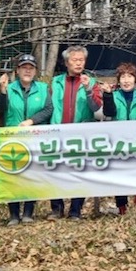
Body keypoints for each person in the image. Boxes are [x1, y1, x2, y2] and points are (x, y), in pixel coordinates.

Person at [0, 52, 52, 225]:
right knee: (13, 175)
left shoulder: (42, 88)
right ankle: (13, 214)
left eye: (31, 68)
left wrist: (32, 121)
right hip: (13, 137)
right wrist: (3, 90)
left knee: (32, 174)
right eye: (24, 68)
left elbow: (48, 109)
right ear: (17, 71)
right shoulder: (9, 88)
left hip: (34, 136)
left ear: (35, 71)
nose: (27, 71)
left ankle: (28, 212)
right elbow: (1, 109)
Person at [49, 45, 99, 221]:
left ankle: (75, 210)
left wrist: (88, 89)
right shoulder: (56, 82)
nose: (78, 63)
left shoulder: (91, 82)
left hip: (81, 134)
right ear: (66, 62)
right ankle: (56, 208)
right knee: (56, 170)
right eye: (74, 60)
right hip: (57, 132)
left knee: (80, 171)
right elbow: (49, 106)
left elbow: (96, 108)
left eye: (81, 60)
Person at [100, 62, 136, 215]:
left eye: (130, 77)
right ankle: (121, 206)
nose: (126, 80)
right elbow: (109, 112)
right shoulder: (113, 96)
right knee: (120, 173)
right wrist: (107, 95)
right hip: (118, 142)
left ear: (135, 79)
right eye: (123, 77)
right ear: (118, 80)